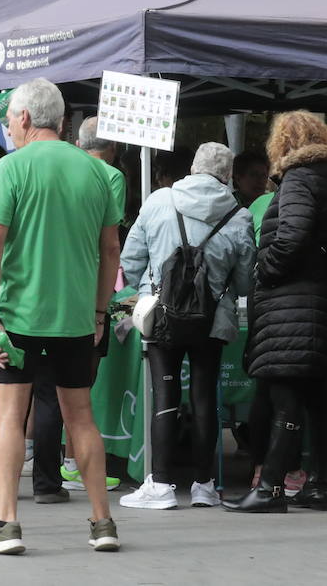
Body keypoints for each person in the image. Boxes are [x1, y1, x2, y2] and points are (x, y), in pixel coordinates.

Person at [0, 78, 122, 555]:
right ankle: (103, 522)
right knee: (82, 417)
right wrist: (99, 310)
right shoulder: (98, 172)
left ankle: (7, 522)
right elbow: (110, 249)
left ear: (27, 119)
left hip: (17, 317)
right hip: (76, 317)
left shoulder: (11, 168)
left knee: (10, 417)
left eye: (10, 119)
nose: (8, 127)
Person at [225, 111, 327, 514]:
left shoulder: (299, 178)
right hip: (319, 297)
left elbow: (293, 234)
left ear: (283, 143)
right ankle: (316, 485)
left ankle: (270, 489)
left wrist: (266, 268)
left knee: (285, 396)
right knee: (316, 397)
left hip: (291, 301)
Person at [120, 142, 254, 510]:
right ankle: (204, 485)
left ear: (192, 168)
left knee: (165, 395)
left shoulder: (159, 200)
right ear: (227, 176)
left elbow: (130, 262)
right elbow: (244, 284)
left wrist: (151, 285)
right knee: (204, 398)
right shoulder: (239, 216)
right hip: (211, 321)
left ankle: (161, 484)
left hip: (162, 315)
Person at [45, 116, 125, 497]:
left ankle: (6, 509)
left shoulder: (41, 166)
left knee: (33, 393)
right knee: (80, 397)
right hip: (86, 292)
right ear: (111, 147)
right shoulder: (109, 176)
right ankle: (80, 475)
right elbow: (109, 244)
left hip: (43, 293)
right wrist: (101, 307)